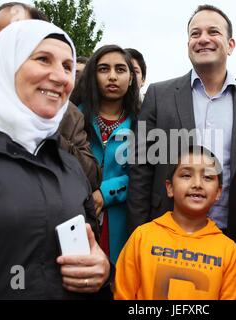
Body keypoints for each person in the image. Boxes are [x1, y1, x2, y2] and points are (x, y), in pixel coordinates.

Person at [0, 20, 111, 299]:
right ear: (6, 64)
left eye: (67, 67)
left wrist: (101, 271)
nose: (60, 77)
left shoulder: (68, 164)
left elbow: (87, 248)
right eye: (43, 59)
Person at [127, 4, 236, 256]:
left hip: (229, 238)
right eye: (195, 34)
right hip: (163, 235)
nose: (203, 39)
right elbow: (141, 170)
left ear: (230, 44)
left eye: (213, 32)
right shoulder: (159, 96)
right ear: (188, 45)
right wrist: (140, 237)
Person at [0, 2, 103, 210]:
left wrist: (48, 130)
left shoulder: (67, 114)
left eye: (14, 37)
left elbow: (91, 177)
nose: (1, 47)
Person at [114, 145, 236, 300]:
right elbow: (122, 295)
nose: (197, 184)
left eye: (208, 177)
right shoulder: (142, 237)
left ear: (218, 193)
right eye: (186, 175)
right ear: (170, 188)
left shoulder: (228, 250)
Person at [73, 45, 139, 264]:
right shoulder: (71, 116)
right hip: (73, 214)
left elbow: (146, 174)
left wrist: (106, 192)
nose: (112, 76)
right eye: (103, 69)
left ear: (131, 79)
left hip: (122, 220)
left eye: (120, 70)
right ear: (93, 75)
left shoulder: (144, 120)